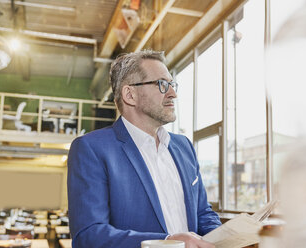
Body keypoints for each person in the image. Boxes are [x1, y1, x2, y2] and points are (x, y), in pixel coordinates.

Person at [67, 50, 221, 248]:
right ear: (130, 94)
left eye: (172, 84)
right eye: (162, 84)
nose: (173, 93)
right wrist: (165, 243)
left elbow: (203, 213)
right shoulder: (91, 149)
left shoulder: (184, 147)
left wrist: (228, 236)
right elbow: (89, 236)